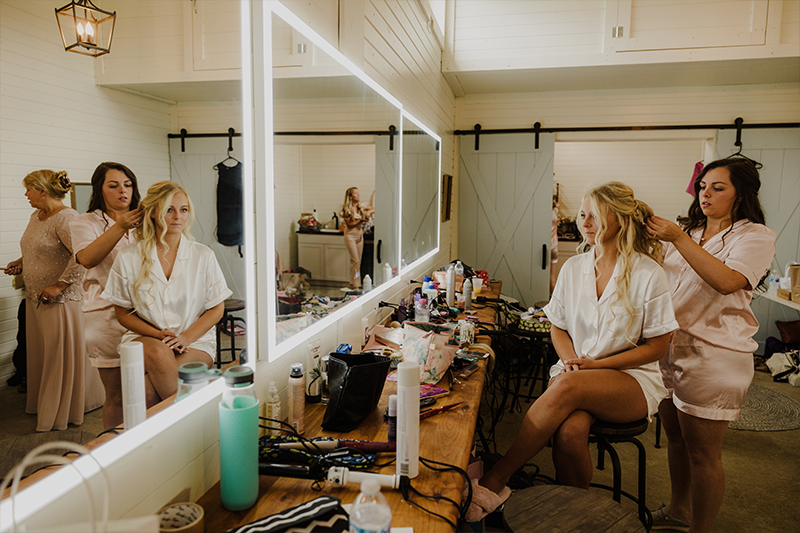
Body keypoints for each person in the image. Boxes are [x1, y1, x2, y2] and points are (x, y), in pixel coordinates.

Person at [465, 182, 679, 521]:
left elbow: (657, 347)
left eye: (595, 216)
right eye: (582, 215)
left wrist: (594, 366)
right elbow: (558, 326)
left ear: (621, 220)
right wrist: (569, 360)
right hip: (576, 371)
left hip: (631, 380)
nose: (585, 223)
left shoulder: (648, 273)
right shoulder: (573, 268)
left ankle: (496, 479)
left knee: (565, 386)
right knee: (569, 432)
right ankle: (576, 514)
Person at [646, 157, 776, 533]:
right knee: (675, 439)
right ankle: (679, 510)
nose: (705, 194)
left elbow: (727, 281)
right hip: (669, 348)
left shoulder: (754, 236)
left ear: (741, 194)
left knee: (703, 453)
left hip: (715, 356)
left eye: (718, 188)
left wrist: (678, 238)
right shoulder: (690, 230)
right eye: (702, 187)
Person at [101, 181, 231, 406]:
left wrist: (185, 337)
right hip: (147, 339)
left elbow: (217, 308)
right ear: (153, 212)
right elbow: (122, 313)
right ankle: (189, 418)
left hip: (195, 341)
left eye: (183, 209)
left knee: (146, 392)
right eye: (169, 209)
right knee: (159, 353)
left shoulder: (203, 255)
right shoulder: (129, 256)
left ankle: (175, 421)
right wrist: (159, 335)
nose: (178, 217)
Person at [4, 170, 90, 431]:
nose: (26, 194)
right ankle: (45, 401)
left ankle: (64, 408)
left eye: (29, 189)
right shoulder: (36, 216)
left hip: (60, 301)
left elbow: (82, 257)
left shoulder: (67, 219)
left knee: (56, 356)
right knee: (42, 355)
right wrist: (22, 262)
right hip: (35, 297)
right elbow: (37, 247)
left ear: (43, 190)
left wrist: (59, 286)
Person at [70, 162, 143, 429]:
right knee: (117, 395)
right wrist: (119, 226)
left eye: (128, 185)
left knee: (147, 388)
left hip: (147, 314)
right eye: (113, 185)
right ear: (99, 189)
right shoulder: (85, 222)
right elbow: (87, 258)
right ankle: (115, 444)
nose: (123, 191)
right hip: (105, 315)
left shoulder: (146, 221)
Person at [340, 187, 374, 289]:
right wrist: (361, 220)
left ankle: (353, 282)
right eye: (355, 194)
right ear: (350, 197)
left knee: (358, 261)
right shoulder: (347, 209)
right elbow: (350, 225)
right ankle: (356, 285)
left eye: (358, 193)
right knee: (355, 260)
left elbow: (373, 208)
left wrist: (368, 213)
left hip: (360, 235)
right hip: (350, 236)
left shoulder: (361, 206)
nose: (358, 195)